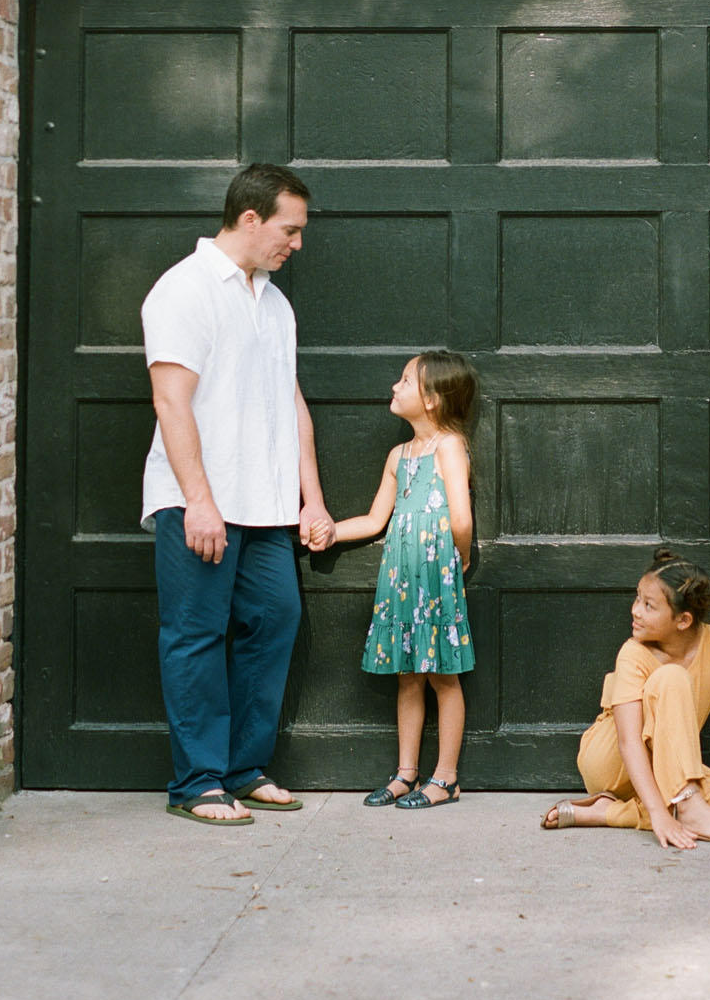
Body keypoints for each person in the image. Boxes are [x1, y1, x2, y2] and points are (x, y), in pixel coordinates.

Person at [141, 161, 334, 825]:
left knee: (274, 621)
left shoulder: (273, 301)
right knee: (195, 636)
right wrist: (198, 499)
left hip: (268, 504)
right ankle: (196, 785)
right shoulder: (184, 291)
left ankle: (242, 769)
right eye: (290, 229)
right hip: (200, 503)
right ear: (250, 219)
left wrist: (311, 498)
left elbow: (291, 402)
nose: (297, 244)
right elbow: (171, 399)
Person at [328, 350, 478, 810]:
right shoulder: (399, 455)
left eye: (406, 380)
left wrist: (462, 559)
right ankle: (406, 773)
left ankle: (446, 778)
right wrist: (330, 531)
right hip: (403, 578)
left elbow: (461, 517)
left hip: (435, 574)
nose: (395, 386)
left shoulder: (449, 447)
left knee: (443, 676)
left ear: (432, 399)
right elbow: (376, 520)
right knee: (408, 675)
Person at [539, 550, 710, 847]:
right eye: (637, 599)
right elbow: (629, 741)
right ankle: (682, 807)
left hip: (667, 770)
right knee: (672, 676)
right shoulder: (634, 652)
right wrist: (657, 813)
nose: (635, 610)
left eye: (649, 605)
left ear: (683, 620)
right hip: (611, 761)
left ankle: (609, 813)